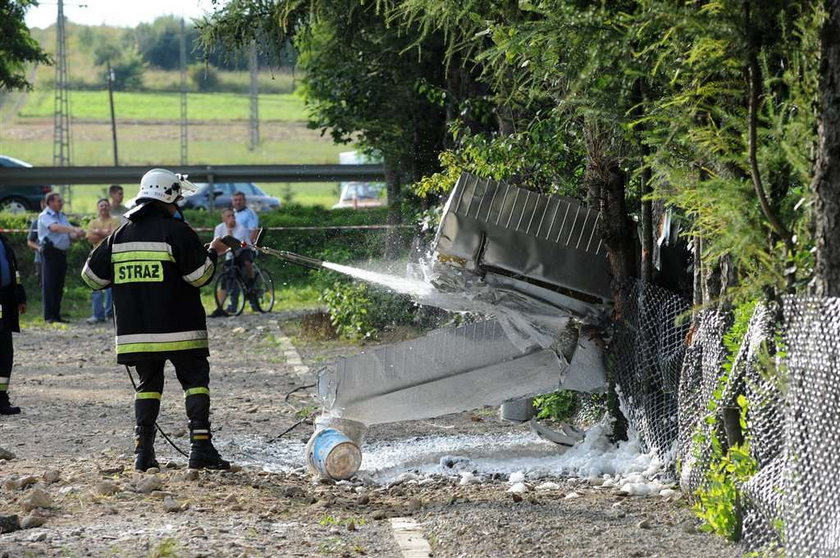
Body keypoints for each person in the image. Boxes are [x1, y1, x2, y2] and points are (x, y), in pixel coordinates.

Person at [82, 168, 232, 471]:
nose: (178, 206)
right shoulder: (176, 231)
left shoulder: (118, 236)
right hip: (181, 329)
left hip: (136, 333)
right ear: (167, 197)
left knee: (148, 386)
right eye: (177, 200)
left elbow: (91, 278)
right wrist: (214, 252)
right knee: (195, 382)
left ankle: (143, 453)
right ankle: (200, 447)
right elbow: (199, 276)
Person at [38, 192, 84, 323]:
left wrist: (78, 234)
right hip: (50, 252)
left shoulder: (62, 216)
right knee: (50, 284)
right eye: (58, 201)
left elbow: (69, 234)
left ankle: (56, 315)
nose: (61, 203)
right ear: (50, 202)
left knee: (58, 285)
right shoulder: (45, 216)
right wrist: (73, 229)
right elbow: (54, 228)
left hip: (61, 254)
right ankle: (49, 316)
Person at [0, 233, 26, 415]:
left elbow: (13, 271)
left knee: (4, 353)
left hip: (5, 300)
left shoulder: (3, 241)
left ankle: (1, 398)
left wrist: (20, 296)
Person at [85, 199, 121, 324]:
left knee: (112, 288)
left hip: (112, 256)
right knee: (95, 287)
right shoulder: (93, 222)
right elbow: (90, 238)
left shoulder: (115, 220)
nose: (104, 207)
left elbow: (116, 236)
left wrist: (98, 232)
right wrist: (106, 233)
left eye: (106, 205)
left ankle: (110, 314)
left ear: (109, 207)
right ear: (98, 208)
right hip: (97, 258)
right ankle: (97, 315)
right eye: (101, 205)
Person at [209, 208, 250, 318]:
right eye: (228, 216)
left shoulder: (241, 228)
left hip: (243, 251)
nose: (231, 218)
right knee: (226, 278)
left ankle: (250, 279)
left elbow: (235, 245)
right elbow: (217, 244)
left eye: (233, 215)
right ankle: (220, 307)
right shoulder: (219, 228)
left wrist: (230, 230)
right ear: (223, 218)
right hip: (230, 254)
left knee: (244, 263)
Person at [26, 198, 46, 287]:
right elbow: (30, 242)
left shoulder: (60, 220)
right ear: (42, 205)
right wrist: (39, 248)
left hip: (56, 259)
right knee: (44, 285)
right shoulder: (37, 222)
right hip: (41, 260)